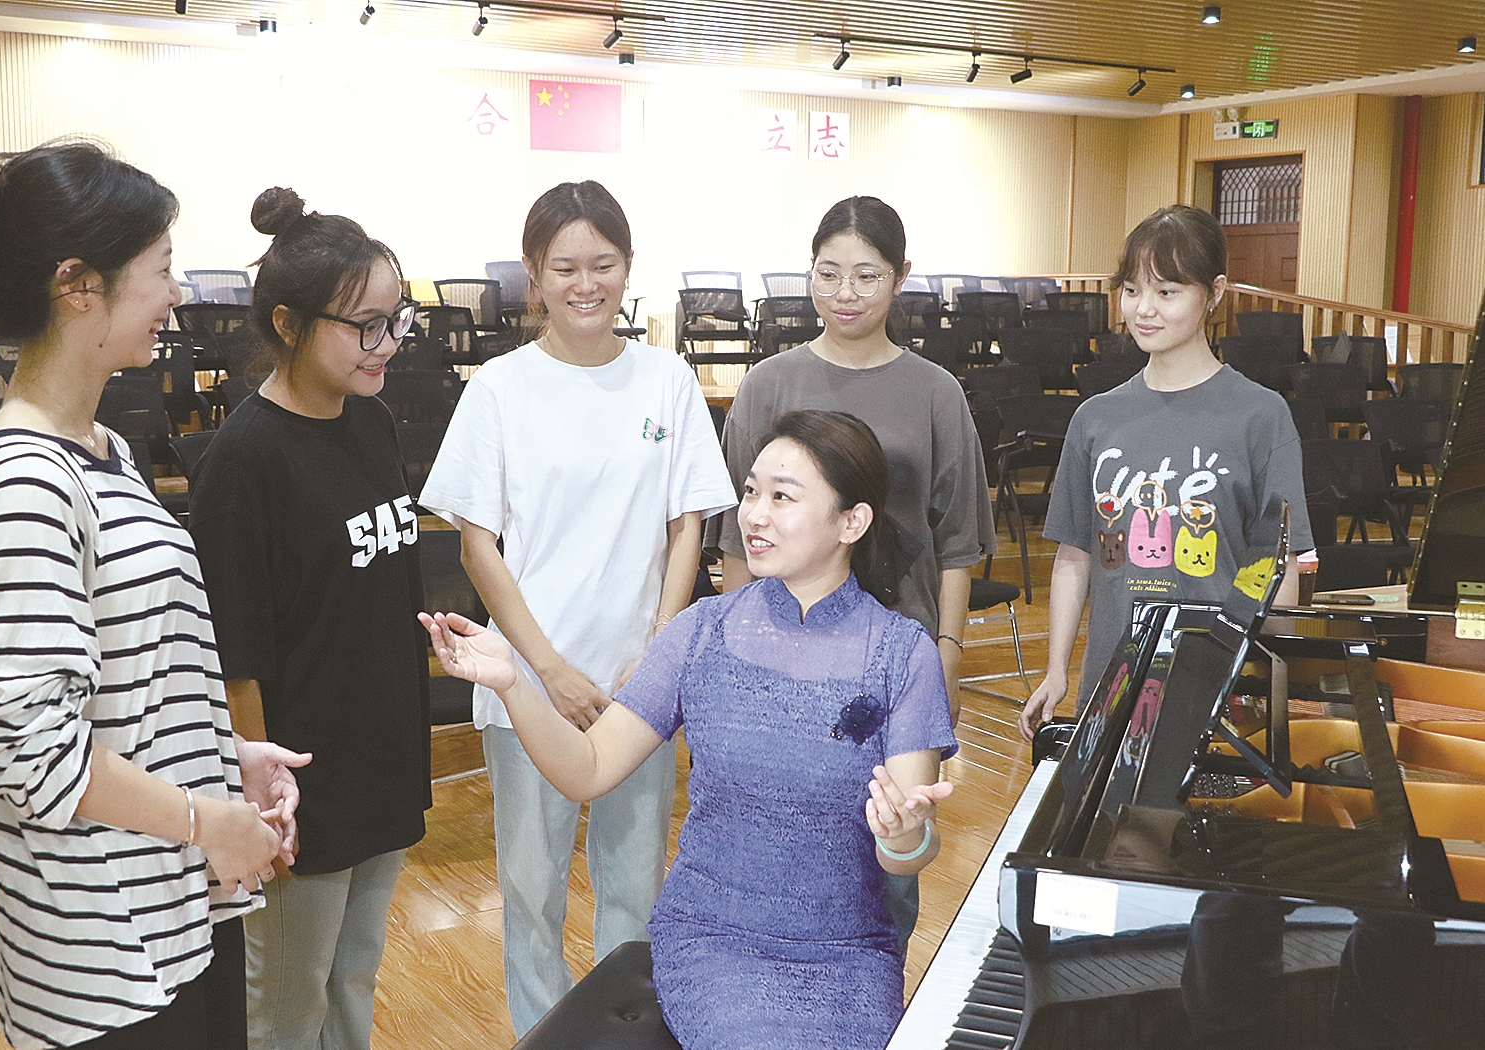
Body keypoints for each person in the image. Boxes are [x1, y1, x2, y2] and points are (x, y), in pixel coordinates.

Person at [423, 409, 959, 1050]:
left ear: (853, 521)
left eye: (782, 497)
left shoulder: (903, 652)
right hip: (713, 942)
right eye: (751, 492)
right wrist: (513, 682)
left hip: (849, 951)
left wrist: (903, 834)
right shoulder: (701, 632)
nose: (754, 515)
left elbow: (906, 852)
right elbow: (587, 769)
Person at [0, 142, 305, 1050]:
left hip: (169, 913)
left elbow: (124, 679)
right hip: (100, 956)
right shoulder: (26, 480)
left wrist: (220, 753)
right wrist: (208, 820)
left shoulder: (106, 449)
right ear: (78, 286)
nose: (175, 295)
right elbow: (26, 747)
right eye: (161, 269)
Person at [417, 180, 736, 1036]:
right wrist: (547, 671)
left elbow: (687, 523)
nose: (585, 283)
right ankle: (544, 1036)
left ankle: (626, 1039)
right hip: (526, 683)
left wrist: (659, 649)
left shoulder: (665, 379)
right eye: (564, 267)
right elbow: (476, 543)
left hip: (638, 681)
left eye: (603, 263)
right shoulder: (499, 386)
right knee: (530, 889)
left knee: (635, 884)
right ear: (534, 275)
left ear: (627, 267)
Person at [710, 195, 993, 952]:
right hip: (783, 648)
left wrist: (948, 654)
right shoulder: (768, 384)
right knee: (776, 839)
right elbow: (739, 533)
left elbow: (957, 541)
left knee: (889, 846)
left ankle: (868, 989)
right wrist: (736, 653)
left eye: (866, 275)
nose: (845, 293)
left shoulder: (935, 391)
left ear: (901, 276)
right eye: (828, 273)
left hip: (895, 653)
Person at [186, 187, 431, 1050]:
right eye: (364, 326)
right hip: (300, 784)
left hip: (382, 761)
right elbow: (236, 660)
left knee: (354, 977)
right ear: (288, 325)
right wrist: (267, 803)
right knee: (288, 1008)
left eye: (396, 320)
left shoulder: (371, 421)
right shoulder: (245, 461)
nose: (387, 343)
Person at [1018, 204, 1310, 740]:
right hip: (1113, 686)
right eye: (1132, 290)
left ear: (1215, 293)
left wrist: (1261, 674)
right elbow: (1074, 555)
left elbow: (1279, 563)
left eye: (1167, 291)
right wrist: (1057, 671)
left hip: (1218, 689)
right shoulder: (1095, 418)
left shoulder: (1261, 415)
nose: (1144, 309)